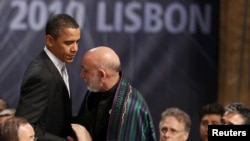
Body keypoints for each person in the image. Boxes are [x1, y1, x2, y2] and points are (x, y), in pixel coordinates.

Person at [15, 13, 81, 141]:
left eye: (77, 42)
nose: (75, 49)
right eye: (68, 43)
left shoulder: (58, 63)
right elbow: (25, 128)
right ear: (49, 41)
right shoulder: (40, 76)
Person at [75, 46, 157, 141]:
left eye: (86, 70)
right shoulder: (95, 89)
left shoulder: (132, 108)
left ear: (102, 75)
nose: (81, 75)